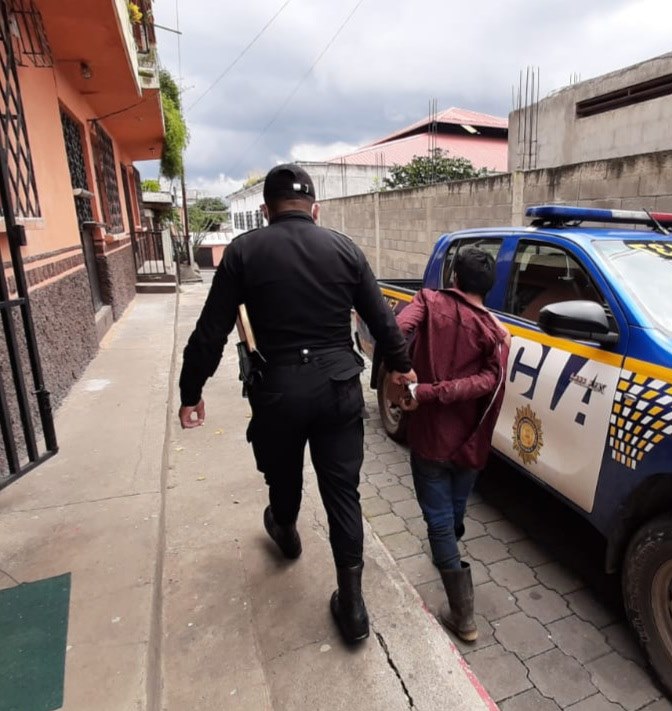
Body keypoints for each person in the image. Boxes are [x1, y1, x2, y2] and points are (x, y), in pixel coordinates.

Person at [176, 164, 415, 645]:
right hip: (339, 389)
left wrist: (191, 391)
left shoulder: (244, 252)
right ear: (316, 209)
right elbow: (383, 322)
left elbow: (211, 331)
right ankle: (353, 608)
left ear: (265, 211)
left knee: (283, 476)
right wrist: (403, 366)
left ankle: (285, 531)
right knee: (342, 492)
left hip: (279, 392)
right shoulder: (345, 249)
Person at [394, 247, 510, 643]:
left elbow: (398, 330)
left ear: (455, 278)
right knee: (454, 512)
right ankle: (446, 556)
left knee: (440, 521)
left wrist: (418, 387)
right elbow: (487, 383)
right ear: (488, 289)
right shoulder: (496, 334)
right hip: (470, 442)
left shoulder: (428, 301)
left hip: (430, 439)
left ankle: (462, 615)